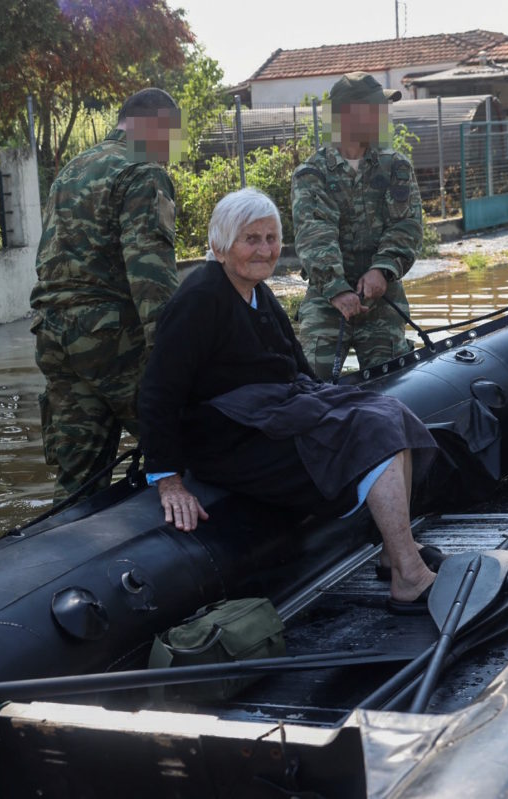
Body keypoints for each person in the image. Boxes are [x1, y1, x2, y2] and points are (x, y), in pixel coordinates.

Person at [138, 188, 440, 612]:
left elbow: (294, 366)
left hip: (273, 411)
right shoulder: (199, 300)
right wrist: (168, 480)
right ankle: (409, 578)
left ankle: (395, 555)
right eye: (252, 239)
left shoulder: (258, 293)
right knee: (371, 431)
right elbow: (157, 392)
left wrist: (328, 403)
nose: (265, 250)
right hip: (230, 435)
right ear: (220, 246)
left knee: (387, 411)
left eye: (271, 238)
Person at [29, 88, 183, 503]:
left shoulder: (71, 170)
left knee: (77, 480)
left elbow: (50, 258)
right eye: (173, 138)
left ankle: (66, 550)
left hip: (53, 337)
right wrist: (177, 361)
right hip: (114, 341)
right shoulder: (143, 172)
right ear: (157, 126)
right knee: (187, 442)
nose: (172, 151)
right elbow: (151, 280)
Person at [291, 72, 423, 380]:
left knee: (394, 383)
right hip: (327, 298)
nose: (383, 116)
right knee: (310, 379)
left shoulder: (396, 166)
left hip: (382, 295)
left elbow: (407, 225)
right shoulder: (312, 173)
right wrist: (337, 289)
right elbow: (314, 235)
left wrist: (382, 269)